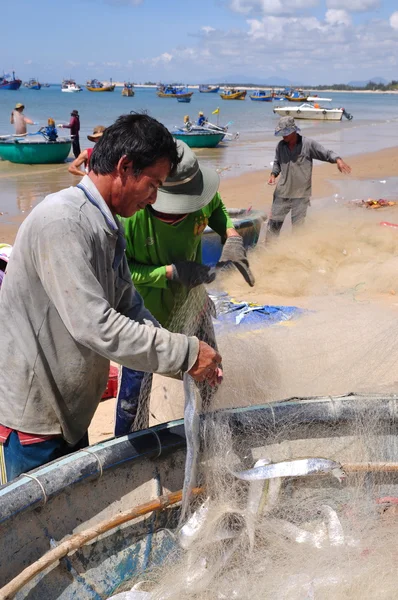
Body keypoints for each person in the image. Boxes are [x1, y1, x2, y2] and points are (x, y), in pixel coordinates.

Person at [0, 113, 221, 483]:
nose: (153, 198)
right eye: (152, 185)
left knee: (75, 523)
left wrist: (184, 356)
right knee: (47, 535)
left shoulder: (106, 224)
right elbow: (95, 324)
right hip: (37, 418)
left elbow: (128, 306)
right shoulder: (64, 221)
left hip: (70, 411)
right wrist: (185, 353)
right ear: (125, 167)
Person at [115, 140, 254, 436]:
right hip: (145, 314)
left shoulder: (201, 195)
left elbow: (217, 210)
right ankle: (128, 451)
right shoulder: (129, 217)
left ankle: (203, 431)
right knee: (133, 398)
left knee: (211, 373)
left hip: (194, 302)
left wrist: (230, 234)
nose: (181, 214)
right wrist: (168, 272)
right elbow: (120, 273)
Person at [266, 116, 351, 238]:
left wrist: (338, 160)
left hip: (301, 195)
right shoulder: (280, 146)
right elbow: (277, 163)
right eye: (282, 134)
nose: (283, 136)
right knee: (273, 227)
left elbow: (326, 153)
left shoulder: (308, 144)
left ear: (293, 131)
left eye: (286, 133)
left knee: (298, 230)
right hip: (282, 193)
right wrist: (273, 174)